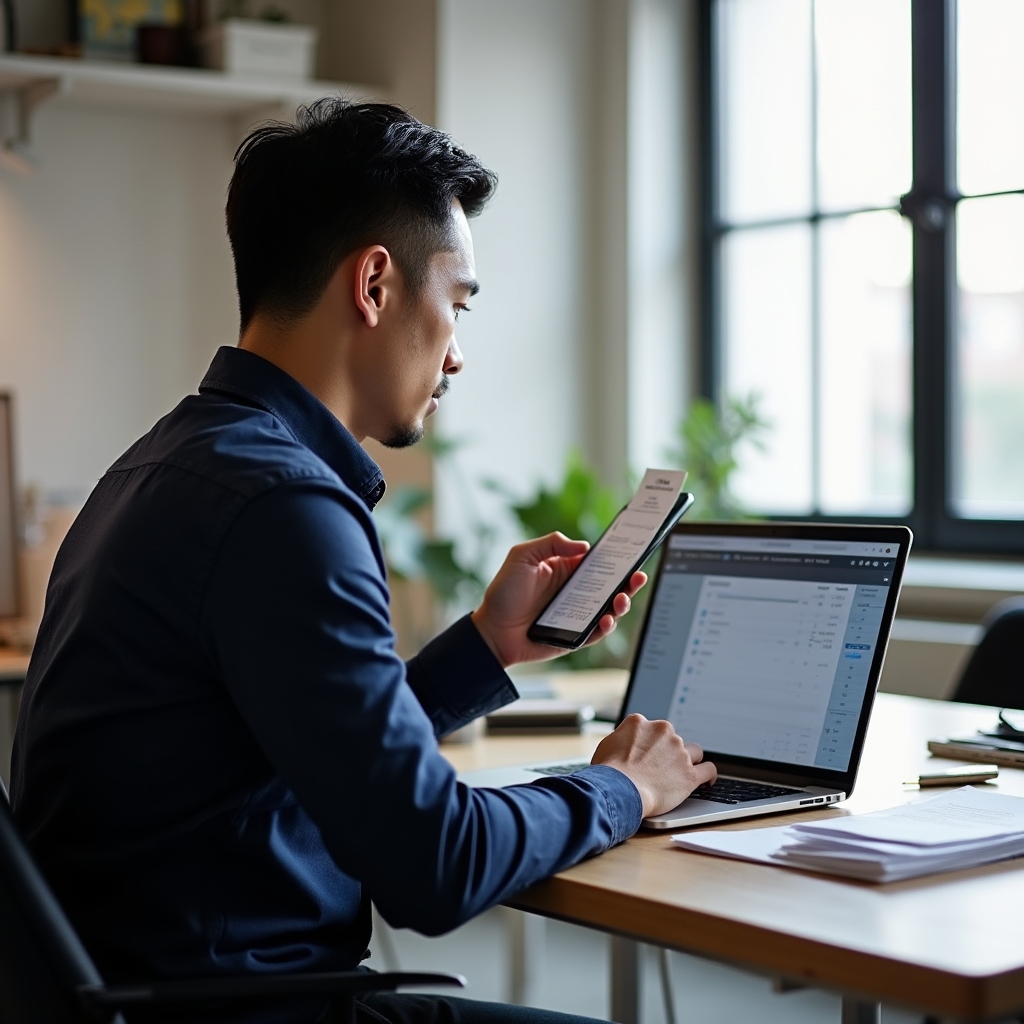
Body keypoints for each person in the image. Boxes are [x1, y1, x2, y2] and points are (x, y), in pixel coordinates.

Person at [10, 100, 715, 1024]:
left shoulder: (158, 467)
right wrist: (624, 785)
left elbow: (306, 754)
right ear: (375, 285)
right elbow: (434, 864)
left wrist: (484, 646)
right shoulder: (284, 508)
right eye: (456, 301)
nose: (457, 353)